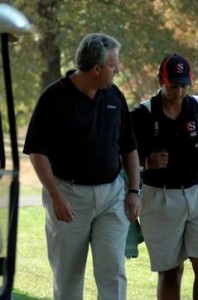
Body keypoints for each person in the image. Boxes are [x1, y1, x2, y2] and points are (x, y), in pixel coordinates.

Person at [23, 33, 142, 300]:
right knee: (68, 275)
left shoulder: (114, 95)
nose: (118, 69)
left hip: (113, 196)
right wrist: (55, 195)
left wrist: (134, 191)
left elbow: (129, 147)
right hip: (69, 198)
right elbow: (37, 152)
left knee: (113, 271)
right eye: (114, 65)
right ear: (96, 69)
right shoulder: (54, 98)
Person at [131, 54, 198, 300]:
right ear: (161, 81)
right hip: (160, 197)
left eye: (184, 85)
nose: (180, 91)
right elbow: (123, 153)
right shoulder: (143, 114)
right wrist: (146, 161)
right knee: (171, 271)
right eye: (174, 85)